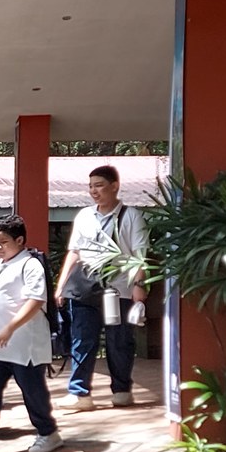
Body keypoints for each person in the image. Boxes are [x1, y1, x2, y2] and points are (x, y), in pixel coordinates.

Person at [56, 164, 149, 411]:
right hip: (85, 288)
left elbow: (140, 255)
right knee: (82, 339)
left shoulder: (131, 216)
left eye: (99, 185)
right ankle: (79, 393)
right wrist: (61, 285)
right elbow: (74, 252)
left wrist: (139, 286)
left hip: (119, 289)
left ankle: (121, 390)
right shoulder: (84, 216)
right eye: (90, 186)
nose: (93, 191)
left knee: (119, 341)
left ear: (114, 186)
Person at [0, 216, 64, 452]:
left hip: (25, 344)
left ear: (19, 240)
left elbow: (36, 301)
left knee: (32, 391)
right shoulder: (0, 265)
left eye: (3, 242)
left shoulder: (30, 265)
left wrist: (10, 327)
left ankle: (48, 433)